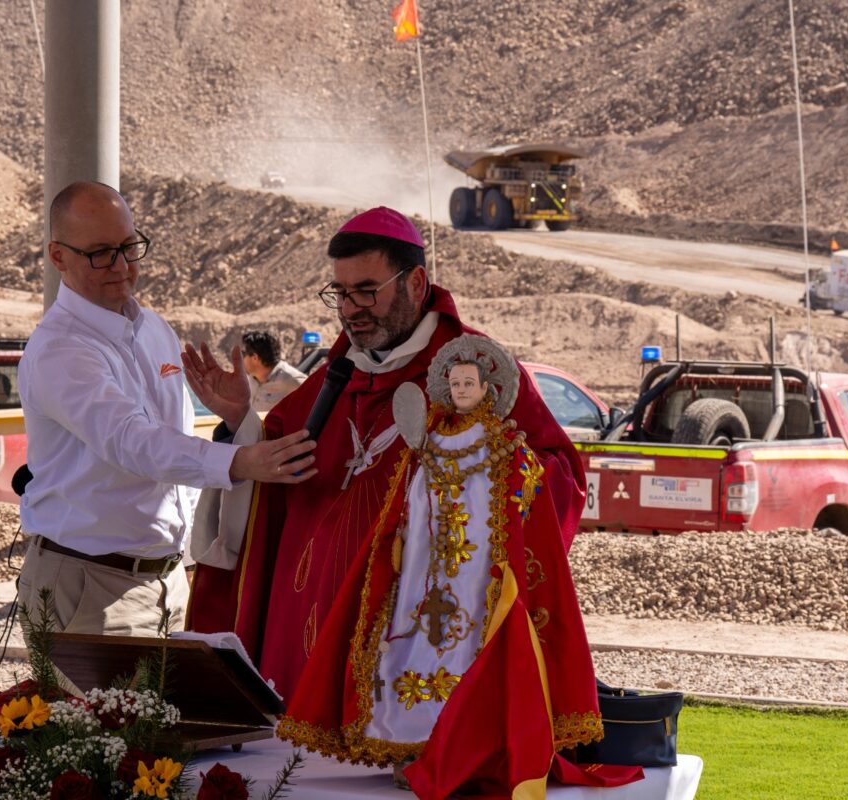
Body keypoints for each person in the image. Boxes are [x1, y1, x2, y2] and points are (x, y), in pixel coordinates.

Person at [185, 207, 586, 703]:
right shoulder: (333, 378)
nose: (351, 308)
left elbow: (560, 474)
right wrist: (237, 423)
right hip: (303, 643)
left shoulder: (476, 372)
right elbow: (269, 470)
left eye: (367, 290)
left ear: (416, 284)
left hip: (417, 636)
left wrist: (479, 464)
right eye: (341, 293)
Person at [277, 335, 641, 798]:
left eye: (470, 382)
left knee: (469, 646)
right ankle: (408, 743)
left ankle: (464, 744)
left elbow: (526, 493)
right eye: (455, 382)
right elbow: (407, 497)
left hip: (476, 567)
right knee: (409, 643)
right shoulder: (427, 437)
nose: (462, 390)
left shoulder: (504, 441)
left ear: (489, 389)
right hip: (422, 566)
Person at [15, 181, 317, 637]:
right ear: (58, 257)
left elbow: (168, 457)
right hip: (91, 585)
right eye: (100, 252)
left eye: (128, 247)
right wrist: (240, 462)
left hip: (168, 581)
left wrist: (236, 419)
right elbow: (131, 442)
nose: (121, 265)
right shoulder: (60, 349)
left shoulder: (154, 328)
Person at [240, 330, 306, 412]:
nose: (241, 359)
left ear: (255, 357)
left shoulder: (294, 381)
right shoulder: (249, 381)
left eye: (243, 354)